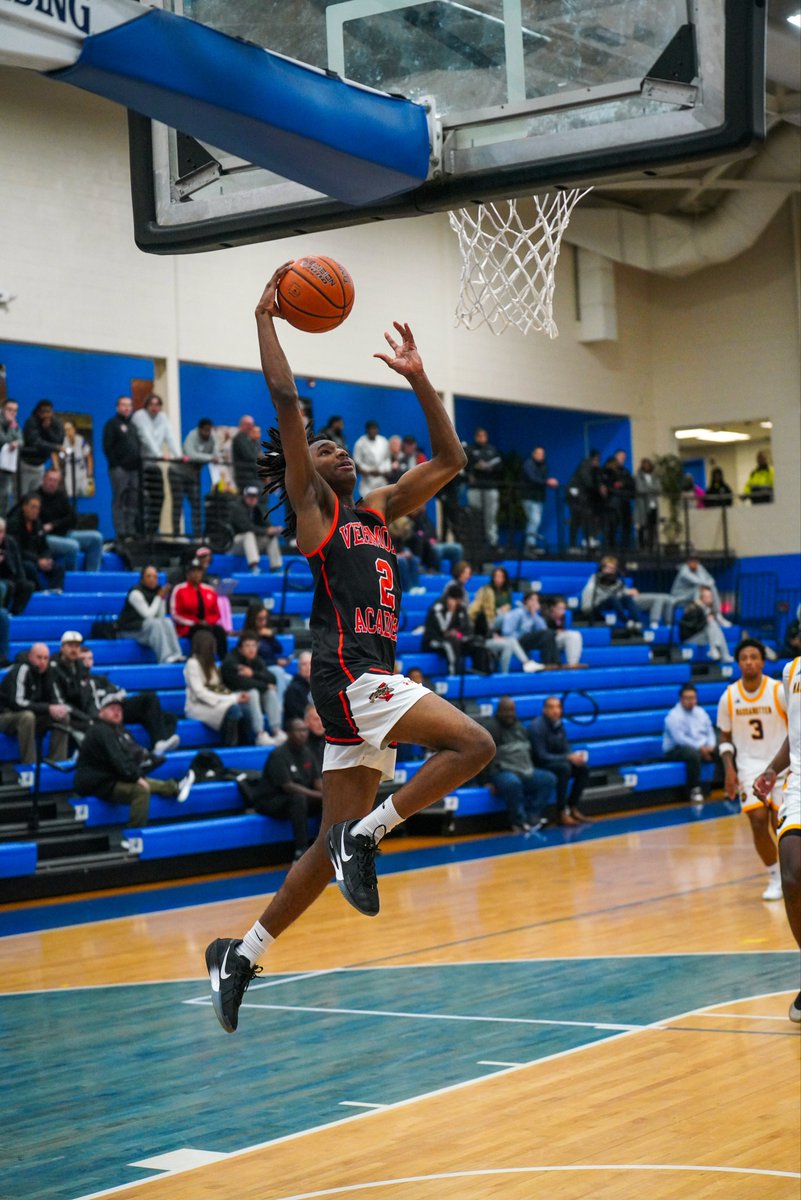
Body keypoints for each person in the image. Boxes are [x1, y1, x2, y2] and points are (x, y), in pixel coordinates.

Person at [204, 266, 494, 1034]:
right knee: (474, 743)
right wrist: (265, 318)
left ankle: (241, 954)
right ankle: (364, 840)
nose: (334, 450)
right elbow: (285, 407)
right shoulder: (313, 510)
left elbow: (452, 458)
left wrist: (420, 377)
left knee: (319, 851)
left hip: (361, 689)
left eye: (339, 445)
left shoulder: (379, 509)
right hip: (351, 677)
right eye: (324, 446)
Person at [716, 639, 788, 902]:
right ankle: (775, 876)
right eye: (744, 657)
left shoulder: (778, 691)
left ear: (762, 662)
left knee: (779, 825)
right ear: (738, 663)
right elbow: (724, 736)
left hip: (781, 765)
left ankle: (792, 873)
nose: (749, 661)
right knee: (757, 822)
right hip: (749, 768)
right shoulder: (729, 697)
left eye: (753, 657)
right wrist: (729, 770)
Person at [753, 655, 800, 1023]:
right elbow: (795, 734)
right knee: (793, 872)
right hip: (799, 786)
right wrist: (772, 768)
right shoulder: (791, 670)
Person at [74, 692, 193, 829]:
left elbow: (130, 757)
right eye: (112, 709)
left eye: (119, 709)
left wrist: (152, 759)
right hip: (97, 782)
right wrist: (136, 777)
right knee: (140, 790)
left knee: (139, 779)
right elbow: (118, 760)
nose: (117, 712)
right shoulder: (100, 730)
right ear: (101, 712)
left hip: (110, 777)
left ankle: (174, 786)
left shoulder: (118, 731)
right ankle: (134, 837)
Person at [79, 644, 180, 755]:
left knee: (169, 717)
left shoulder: (99, 678)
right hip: (101, 714)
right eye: (83, 659)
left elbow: (119, 691)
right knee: (151, 702)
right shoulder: (76, 683)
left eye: (90, 658)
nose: (87, 662)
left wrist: (113, 696)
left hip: (116, 708)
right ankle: (160, 743)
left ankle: (160, 744)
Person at [251, 717, 323, 861]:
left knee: (328, 801)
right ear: (289, 733)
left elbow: (317, 780)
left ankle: (325, 846)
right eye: (298, 730)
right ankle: (301, 850)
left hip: (296, 798)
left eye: (304, 730)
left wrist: (326, 794)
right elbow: (288, 786)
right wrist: (320, 796)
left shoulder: (307, 752)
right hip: (271, 801)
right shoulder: (279, 754)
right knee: (298, 799)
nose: (303, 734)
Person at [480, 696, 555, 832]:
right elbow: (482, 757)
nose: (509, 714)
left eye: (512, 710)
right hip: (501, 772)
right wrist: (485, 781)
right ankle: (519, 822)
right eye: (506, 710)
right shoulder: (492, 728)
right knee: (513, 783)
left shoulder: (520, 728)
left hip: (524, 770)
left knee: (548, 779)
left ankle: (533, 817)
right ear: (499, 711)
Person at [0, 642, 70, 763]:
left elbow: (56, 699)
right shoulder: (21, 669)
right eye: (39, 657)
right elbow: (17, 703)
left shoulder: (49, 672)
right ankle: (29, 765)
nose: (42, 661)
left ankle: (57, 763)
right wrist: (48, 708)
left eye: (46, 658)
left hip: (32, 714)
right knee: (27, 717)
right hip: (6, 716)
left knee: (62, 716)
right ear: (30, 656)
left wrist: (58, 709)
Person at [184, 628, 255, 746]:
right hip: (198, 705)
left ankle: (246, 746)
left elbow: (219, 689)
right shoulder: (193, 664)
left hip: (215, 701)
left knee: (245, 709)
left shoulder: (212, 665)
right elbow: (200, 693)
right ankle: (229, 747)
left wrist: (235, 696)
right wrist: (233, 699)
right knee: (233, 710)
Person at [529, 696, 591, 825]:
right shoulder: (536, 726)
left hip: (557, 762)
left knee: (583, 768)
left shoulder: (559, 725)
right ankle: (561, 812)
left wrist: (574, 756)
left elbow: (565, 749)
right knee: (564, 768)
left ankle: (572, 806)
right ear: (544, 710)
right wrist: (567, 757)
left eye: (558, 707)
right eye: (551, 707)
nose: (555, 710)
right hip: (539, 765)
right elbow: (541, 756)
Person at [469, 566, 540, 674]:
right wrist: (493, 635)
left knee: (510, 642)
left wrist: (494, 635)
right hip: (481, 642)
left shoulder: (490, 611)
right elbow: (479, 632)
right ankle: (523, 663)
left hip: (490, 636)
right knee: (508, 641)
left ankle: (506, 673)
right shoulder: (479, 613)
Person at [132, 392, 183, 535]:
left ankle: (153, 530)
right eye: (151, 404)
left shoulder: (163, 418)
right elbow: (146, 437)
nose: (154, 408)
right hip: (140, 465)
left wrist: (179, 456)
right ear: (147, 405)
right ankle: (141, 531)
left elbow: (170, 436)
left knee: (159, 497)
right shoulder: (139, 416)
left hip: (154, 465)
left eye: (157, 405)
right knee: (141, 500)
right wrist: (160, 455)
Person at [36, 466, 103, 572]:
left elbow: (72, 518)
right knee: (73, 546)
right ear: (43, 479)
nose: (52, 483)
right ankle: (72, 579)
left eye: (55, 481)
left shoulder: (61, 496)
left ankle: (92, 576)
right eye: (50, 479)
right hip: (46, 537)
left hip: (65, 533)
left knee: (96, 538)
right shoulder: (36, 497)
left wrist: (54, 525)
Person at [221, 631, 282, 747]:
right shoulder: (231, 661)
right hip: (234, 698)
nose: (251, 649)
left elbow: (272, 678)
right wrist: (264, 685)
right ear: (240, 648)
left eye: (254, 645)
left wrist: (253, 673)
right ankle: (260, 734)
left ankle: (277, 731)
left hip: (253, 697)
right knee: (253, 692)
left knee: (270, 692)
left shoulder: (256, 660)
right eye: (247, 646)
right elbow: (243, 683)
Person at [117, 564, 184, 663]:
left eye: (155, 576)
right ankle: (165, 658)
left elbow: (161, 616)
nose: (152, 579)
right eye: (148, 576)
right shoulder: (135, 593)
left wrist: (162, 599)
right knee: (155, 623)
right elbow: (148, 615)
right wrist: (158, 597)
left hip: (146, 629)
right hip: (130, 630)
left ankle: (177, 654)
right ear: (142, 579)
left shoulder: (157, 590)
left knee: (167, 621)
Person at [662, 683, 716, 805]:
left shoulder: (701, 712)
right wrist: (700, 748)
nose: (691, 701)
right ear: (681, 699)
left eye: (693, 698)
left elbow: (710, 731)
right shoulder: (673, 716)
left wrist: (711, 747)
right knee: (692, 754)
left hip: (701, 746)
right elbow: (680, 739)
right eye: (688, 698)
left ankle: (730, 785)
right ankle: (694, 789)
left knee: (724, 749)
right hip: (675, 750)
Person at [422, 583, 487, 674]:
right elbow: (442, 630)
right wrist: (451, 613)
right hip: (434, 640)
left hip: (455, 639)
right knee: (449, 646)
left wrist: (458, 634)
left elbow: (467, 628)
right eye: (458, 600)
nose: (459, 603)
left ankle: (479, 672)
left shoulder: (461, 608)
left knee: (477, 643)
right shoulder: (437, 608)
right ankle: (454, 675)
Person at [6, 493, 65, 592]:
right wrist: (38, 560)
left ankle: (54, 593)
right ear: (24, 507)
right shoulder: (13, 523)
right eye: (33, 507)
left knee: (58, 568)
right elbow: (17, 551)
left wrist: (47, 558)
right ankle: (40, 593)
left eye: (38, 508)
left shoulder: (38, 523)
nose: (36, 511)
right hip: (22, 560)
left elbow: (44, 546)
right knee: (29, 567)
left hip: (37, 559)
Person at [170, 558, 228, 658]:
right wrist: (194, 622)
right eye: (193, 571)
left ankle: (223, 659)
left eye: (199, 571)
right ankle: (197, 658)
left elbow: (216, 613)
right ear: (187, 574)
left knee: (219, 631)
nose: (196, 574)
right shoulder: (179, 589)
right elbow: (175, 613)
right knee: (201, 630)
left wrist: (208, 621)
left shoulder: (209, 590)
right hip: (187, 626)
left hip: (207, 624)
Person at [102, 395, 141, 542]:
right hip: (119, 469)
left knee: (133, 500)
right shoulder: (112, 424)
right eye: (124, 405)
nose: (127, 408)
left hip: (134, 469)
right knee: (120, 499)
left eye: (129, 405)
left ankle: (130, 530)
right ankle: (120, 531)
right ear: (117, 407)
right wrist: (116, 464)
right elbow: (107, 446)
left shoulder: (133, 426)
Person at [173, 416, 216, 536]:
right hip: (177, 473)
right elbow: (190, 454)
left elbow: (216, 454)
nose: (207, 433)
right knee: (178, 503)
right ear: (200, 430)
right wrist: (210, 458)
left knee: (196, 504)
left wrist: (213, 457)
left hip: (193, 476)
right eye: (205, 430)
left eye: (210, 430)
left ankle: (197, 535)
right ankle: (176, 535)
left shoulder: (212, 439)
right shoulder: (192, 436)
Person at [228, 483, 283, 572]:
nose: (252, 499)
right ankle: (253, 566)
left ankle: (276, 567)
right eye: (249, 496)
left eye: (254, 496)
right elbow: (246, 527)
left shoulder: (257, 509)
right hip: (234, 545)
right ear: (244, 497)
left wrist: (274, 530)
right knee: (248, 534)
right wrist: (266, 531)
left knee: (271, 537)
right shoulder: (236, 508)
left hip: (250, 545)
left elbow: (266, 524)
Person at [580, 556, 642, 631]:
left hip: (613, 603)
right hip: (598, 606)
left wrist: (629, 591)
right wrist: (587, 610)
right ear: (602, 568)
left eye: (612, 569)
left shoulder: (617, 580)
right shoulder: (595, 579)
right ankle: (626, 622)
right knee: (613, 598)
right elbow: (588, 592)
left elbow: (622, 590)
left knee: (626, 598)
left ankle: (638, 622)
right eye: (608, 568)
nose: (610, 571)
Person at [500, 589, 560, 667]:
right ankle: (548, 663)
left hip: (529, 641)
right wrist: (521, 635)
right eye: (532, 600)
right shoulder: (517, 613)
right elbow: (507, 632)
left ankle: (554, 663)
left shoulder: (535, 616)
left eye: (536, 601)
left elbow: (544, 630)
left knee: (550, 634)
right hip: (517, 641)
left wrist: (534, 615)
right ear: (525, 601)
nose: (534, 603)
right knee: (548, 634)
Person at [465, 427, 502, 548]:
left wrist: (489, 467)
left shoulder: (492, 450)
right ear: (476, 437)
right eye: (479, 436)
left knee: (490, 516)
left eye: (484, 436)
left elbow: (499, 466)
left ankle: (492, 542)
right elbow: (466, 466)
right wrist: (476, 467)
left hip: (490, 487)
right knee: (475, 515)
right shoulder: (470, 450)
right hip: (475, 487)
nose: (482, 438)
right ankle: (476, 542)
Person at [19, 399, 64, 495]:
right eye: (44, 412)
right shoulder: (31, 421)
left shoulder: (55, 421)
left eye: (49, 412)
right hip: (26, 463)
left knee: (36, 497)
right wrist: (54, 447)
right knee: (23, 497)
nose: (47, 415)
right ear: (38, 412)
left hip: (40, 465)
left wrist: (48, 430)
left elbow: (59, 440)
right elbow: (35, 442)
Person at [679, 585, 733, 662]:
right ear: (701, 598)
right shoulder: (694, 608)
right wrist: (706, 621)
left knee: (717, 628)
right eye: (707, 596)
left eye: (710, 596)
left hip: (701, 636)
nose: (710, 598)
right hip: (689, 638)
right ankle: (714, 649)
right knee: (712, 624)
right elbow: (694, 628)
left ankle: (723, 654)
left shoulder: (708, 609)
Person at [520, 446, 557, 553]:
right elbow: (533, 479)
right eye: (539, 453)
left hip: (539, 498)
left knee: (534, 521)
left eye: (543, 454)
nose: (541, 456)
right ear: (533, 454)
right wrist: (547, 482)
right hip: (528, 497)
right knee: (534, 520)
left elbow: (542, 478)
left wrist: (546, 482)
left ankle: (530, 545)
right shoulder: (528, 464)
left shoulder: (543, 465)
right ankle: (530, 545)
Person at [566, 450, 605, 549]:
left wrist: (600, 485)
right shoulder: (585, 466)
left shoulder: (595, 469)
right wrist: (598, 488)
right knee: (576, 520)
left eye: (598, 460)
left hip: (583, 498)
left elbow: (597, 480)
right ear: (591, 459)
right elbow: (588, 482)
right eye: (595, 459)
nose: (597, 462)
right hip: (575, 497)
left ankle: (588, 540)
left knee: (587, 518)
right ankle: (573, 546)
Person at [0, 515, 34, 614]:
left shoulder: (10, 543)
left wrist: (22, 580)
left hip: (10, 578)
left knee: (28, 585)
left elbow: (18, 565)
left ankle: (14, 614)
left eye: (1, 532)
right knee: (6, 586)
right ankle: (3, 614)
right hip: (2, 581)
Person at [602, 449, 635, 549]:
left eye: (624, 458)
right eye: (621, 457)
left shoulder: (625, 472)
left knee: (626, 526)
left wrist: (623, 485)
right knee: (612, 526)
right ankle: (610, 547)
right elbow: (608, 486)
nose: (623, 460)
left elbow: (631, 485)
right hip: (612, 503)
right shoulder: (607, 471)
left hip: (625, 502)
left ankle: (625, 548)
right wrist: (617, 488)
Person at [542, 596, 584, 667]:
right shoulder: (545, 618)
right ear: (552, 608)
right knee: (572, 636)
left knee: (576, 634)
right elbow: (543, 634)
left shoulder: (562, 617)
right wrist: (555, 632)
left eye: (563, 609)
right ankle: (572, 663)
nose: (562, 611)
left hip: (557, 640)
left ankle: (573, 663)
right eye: (559, 608)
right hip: (548, 642)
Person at [352, 419, 391, 493]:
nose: (373, 431)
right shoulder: (360, 443)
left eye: (375, 429)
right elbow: (357, 462)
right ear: (367, 430)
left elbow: (387, 459)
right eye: (371, 429)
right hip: (367, 483)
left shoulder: (383, 441)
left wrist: (384, 470)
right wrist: (369, 471)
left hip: (382, 480)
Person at [60, 419, 93, 498]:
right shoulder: (63, 441)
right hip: (70, 475)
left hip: (83, 475)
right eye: (66, 430)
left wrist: (90, 473)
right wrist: (64, 452)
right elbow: (60, 457)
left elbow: (88, 456)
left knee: (87, 496)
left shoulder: (81, 439)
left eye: (69, 429)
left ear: (74, 429)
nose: (68, 432)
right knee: (71, 497)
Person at [0, 398, 22, 516]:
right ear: (3, 409)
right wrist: (13, 441)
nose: (12, 413)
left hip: (5, 468)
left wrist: (16, 442)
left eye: (15, 410)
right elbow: (2, 439)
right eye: (9, 409)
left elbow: (22, 440)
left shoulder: (14, 424)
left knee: (4, 498)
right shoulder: (11, 424)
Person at [634, 458, 660, 551]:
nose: (646, 466)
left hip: (653, 505)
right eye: (644, 465)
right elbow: (640, 489)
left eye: (648, 464)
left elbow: (658, 488)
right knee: (642, 526)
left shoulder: (654, 476)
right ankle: (641, 547)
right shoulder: (638, 477)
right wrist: (651, 489)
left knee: (652, 527)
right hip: (643, 505)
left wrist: (648, 488)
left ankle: (651, 546)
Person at [231, 414, 261, 493]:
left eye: (252, 425)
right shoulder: (239, 439)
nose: (251, 427)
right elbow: (251, 457)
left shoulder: (250, 440)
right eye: (248, 425)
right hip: (245, 478)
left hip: (252, 476)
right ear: (241, 425)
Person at [282, 649, 313, 724]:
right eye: (304, 664)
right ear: (299, 668)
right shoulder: (293, 689)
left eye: (310, 663)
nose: (308, 667)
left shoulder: (322, 685)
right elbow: (296, 714)